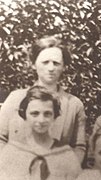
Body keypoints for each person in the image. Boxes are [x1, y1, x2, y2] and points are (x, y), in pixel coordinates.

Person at [0, 35, 87, 163]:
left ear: (64, 67)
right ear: (34, 64)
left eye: (56, 63)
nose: (51, 68)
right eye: (45, 62)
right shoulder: (15, 99)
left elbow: (79, 147)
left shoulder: (74, 105)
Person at [0, 86, 82, 180]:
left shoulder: (66, 156)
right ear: (24, 115)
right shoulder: (11, 154)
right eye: (35, 113)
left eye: (47, 114)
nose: (41, 120)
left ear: (54, 116)